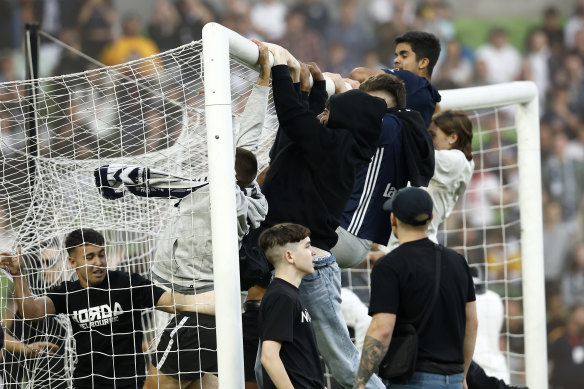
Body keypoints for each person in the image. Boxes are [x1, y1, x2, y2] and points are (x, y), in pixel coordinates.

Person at [250, 41, 387, 389]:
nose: (325, 113)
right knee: (265, 366)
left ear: (346, 119)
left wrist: (281, 69)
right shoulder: (336, 145)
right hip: (291, 262)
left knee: (344, 367)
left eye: (332, 110)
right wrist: (312, 88)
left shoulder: (337, 148)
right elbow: (299, 131)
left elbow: (296, 122)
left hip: (311, 268)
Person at [0, 228, 193, 389]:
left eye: (101, 255)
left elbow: (175, 302)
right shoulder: (68, 293)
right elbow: (31, 312)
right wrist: (18, 274)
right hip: (86, 383)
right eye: (90, 257)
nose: (99, 263)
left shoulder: (128, 284)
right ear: (72, 262)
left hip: (129, 383)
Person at [354, 187, 477, 389]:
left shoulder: (388, 266)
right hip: (453, 378)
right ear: (431, 218)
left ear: (393, 219)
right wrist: (462, 374)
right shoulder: (458, 262)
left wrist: (360, 381)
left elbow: (382, 329)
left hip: (413, 379)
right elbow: (471, 322)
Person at [332, 73, 434, 268]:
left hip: (347, 232)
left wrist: (340, 88)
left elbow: (347, 112)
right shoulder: (402, 128)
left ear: (382, 103)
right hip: (358, 239)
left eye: (365, 100)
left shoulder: (388, 124)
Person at [257, 223, 325, 389]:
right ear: (290, 256)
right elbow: (269, 356)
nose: (314, 252)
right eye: (308, 246)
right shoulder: (281, 296)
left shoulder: (290, 295)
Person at [349, 30, 442, 127]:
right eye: (396, 56)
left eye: (404, 56)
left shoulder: (408, 78)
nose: (396, 60)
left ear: (423, 62)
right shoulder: (432, 99)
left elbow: (358, 74)